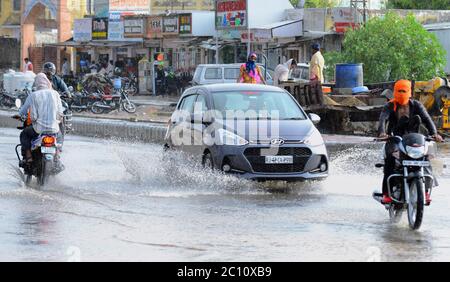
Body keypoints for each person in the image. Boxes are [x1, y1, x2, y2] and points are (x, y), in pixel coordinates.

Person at [377, 79, 444, 205]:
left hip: (414, 138)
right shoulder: (389, 105)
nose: (401, 93)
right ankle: (386, 193)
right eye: (399, 91)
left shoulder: (416, 105)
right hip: (395, 139)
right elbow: (383, 119)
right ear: (395, 92)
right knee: (390, 159)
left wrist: (434, 133)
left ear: (409, 92)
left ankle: (424, 191)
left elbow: (427, 119)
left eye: (404, 91)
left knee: (426, 157)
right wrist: (382, 133)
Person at [13, 73, 63, 166]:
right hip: (54, 129)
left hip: (38, 130)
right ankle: (57, 156)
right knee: (59, 137)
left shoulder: (33, 95)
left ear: (36, 83)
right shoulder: (55, 94)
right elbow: (60, 113)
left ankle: (28, 156)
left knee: (24, 134)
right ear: (48, 83)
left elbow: (25, 112)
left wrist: (18, 115)